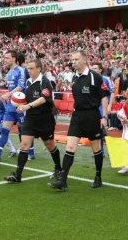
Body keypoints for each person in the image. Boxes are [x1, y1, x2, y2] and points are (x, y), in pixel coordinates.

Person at [48, 51, 108, 191]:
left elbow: (104, 98)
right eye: (72, 59)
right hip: (77, 116)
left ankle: (98, 177)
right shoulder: (75, 77)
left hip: (92, 116)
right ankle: (63, 181)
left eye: (76, 59)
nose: (73, 61)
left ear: (85, 60)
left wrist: (104, 117)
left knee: (96, 148)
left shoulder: (95, 77)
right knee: (70, 147)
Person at [4, 59, 61, 183]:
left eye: (31, 68)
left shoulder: (45, 82)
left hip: (45, 119)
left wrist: (27, 106)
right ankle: (17, 175)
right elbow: (27, 99)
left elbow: (43, 99)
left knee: (50, 145)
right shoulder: (28, 82)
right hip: (30, 118)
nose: (28, 71)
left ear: (39, 68)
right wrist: (19, 103)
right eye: (28, 68)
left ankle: (58, 168)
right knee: (24, 144)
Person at [0, 50, 26, 161]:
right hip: (10, 105)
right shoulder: (9, 73)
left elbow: (21, 86)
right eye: (5, 57)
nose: (5, 59)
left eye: (7, 57)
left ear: (14, 58)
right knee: (4, 129)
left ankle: (30, 152)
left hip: (21, 104)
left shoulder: (20, 70)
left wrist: (7, 94)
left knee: (23, 130)